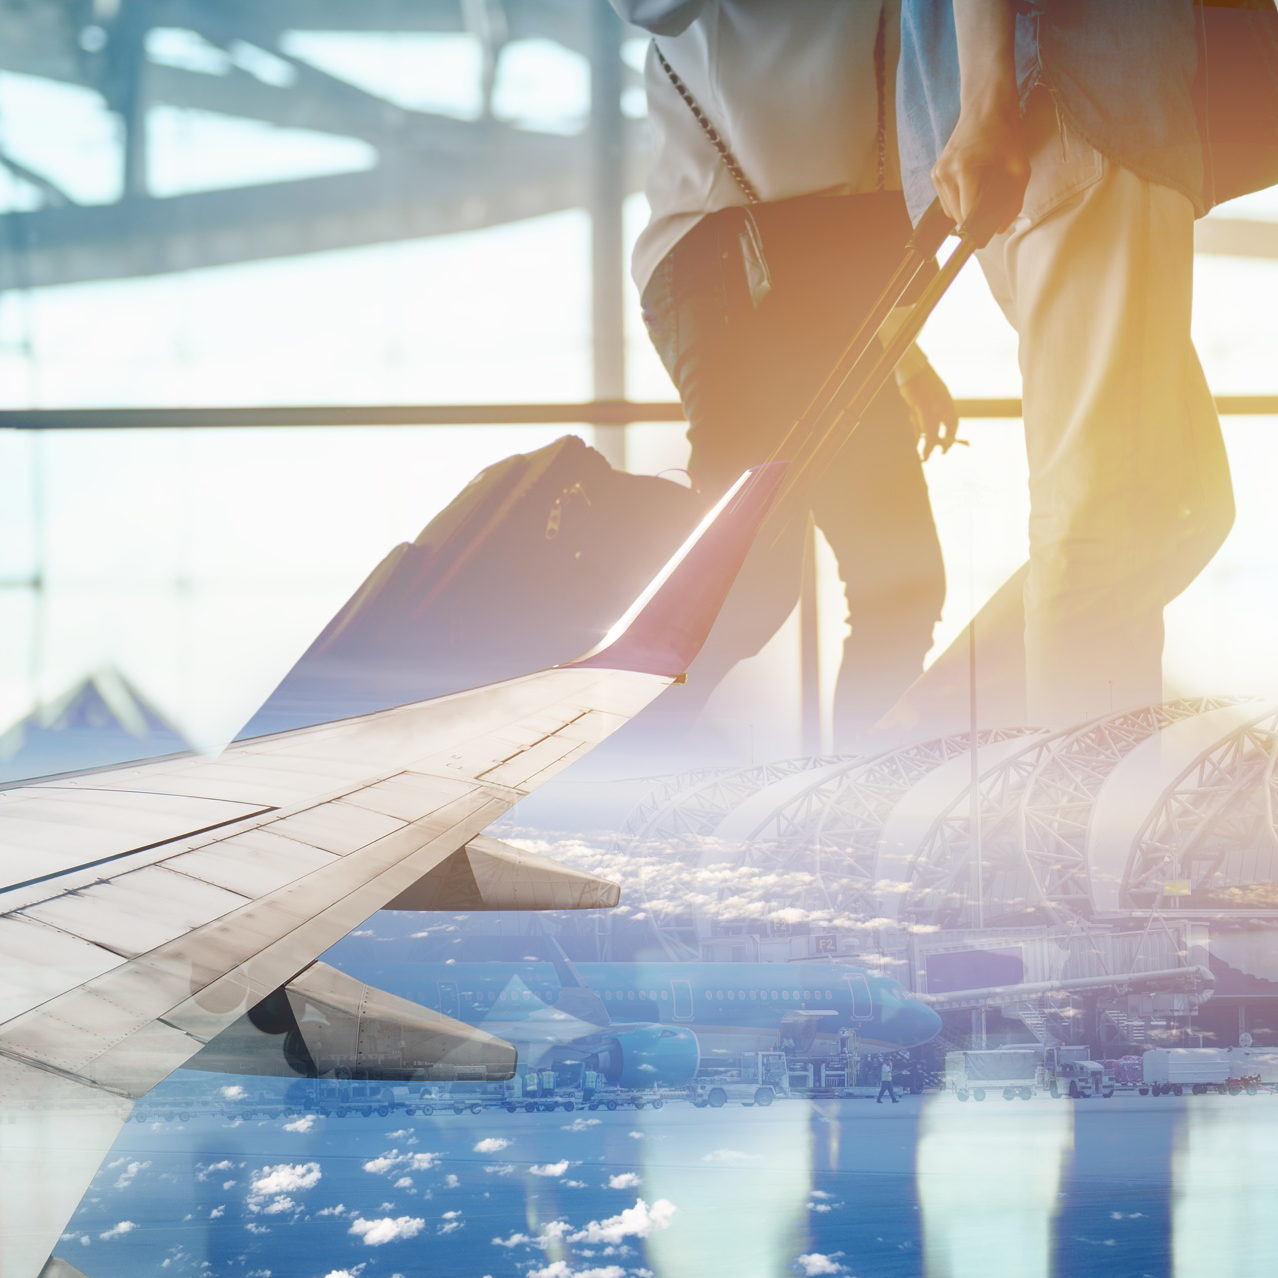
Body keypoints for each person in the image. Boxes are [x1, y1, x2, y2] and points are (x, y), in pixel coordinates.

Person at [610, 0, 955, 752]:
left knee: (899, 579)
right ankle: (613, 781)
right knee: (744, 582)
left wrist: (905, 348)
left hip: (830, 270)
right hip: (727, 252)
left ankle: (852, 805)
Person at [894, 0, 1236, 728]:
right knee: (1102, 522)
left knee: (1182, 506)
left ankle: (947, 736)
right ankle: (1071, 820)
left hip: (1051, 114)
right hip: (1075, 103)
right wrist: (991, 97)